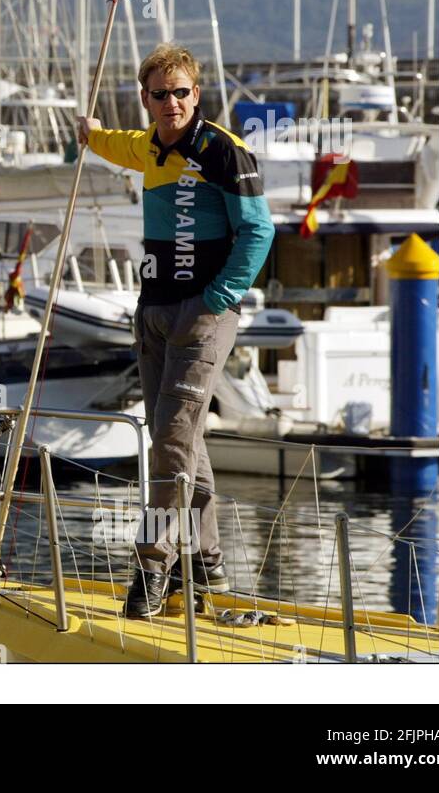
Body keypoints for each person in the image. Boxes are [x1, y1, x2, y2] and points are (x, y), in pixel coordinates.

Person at [76, 44, 274, 617]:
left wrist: (215, 300)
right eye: (159, 94)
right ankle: (208, 572)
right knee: (185, 442)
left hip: (203, 315)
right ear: (145, 98)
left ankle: (151, 569)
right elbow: (116, 143)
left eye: (181, 92)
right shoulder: (148, 147)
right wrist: (90, 133)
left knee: (168, 442)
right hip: (154, 311)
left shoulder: (222, 151)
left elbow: (259, 232)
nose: (171, 103)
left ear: (197, 94)